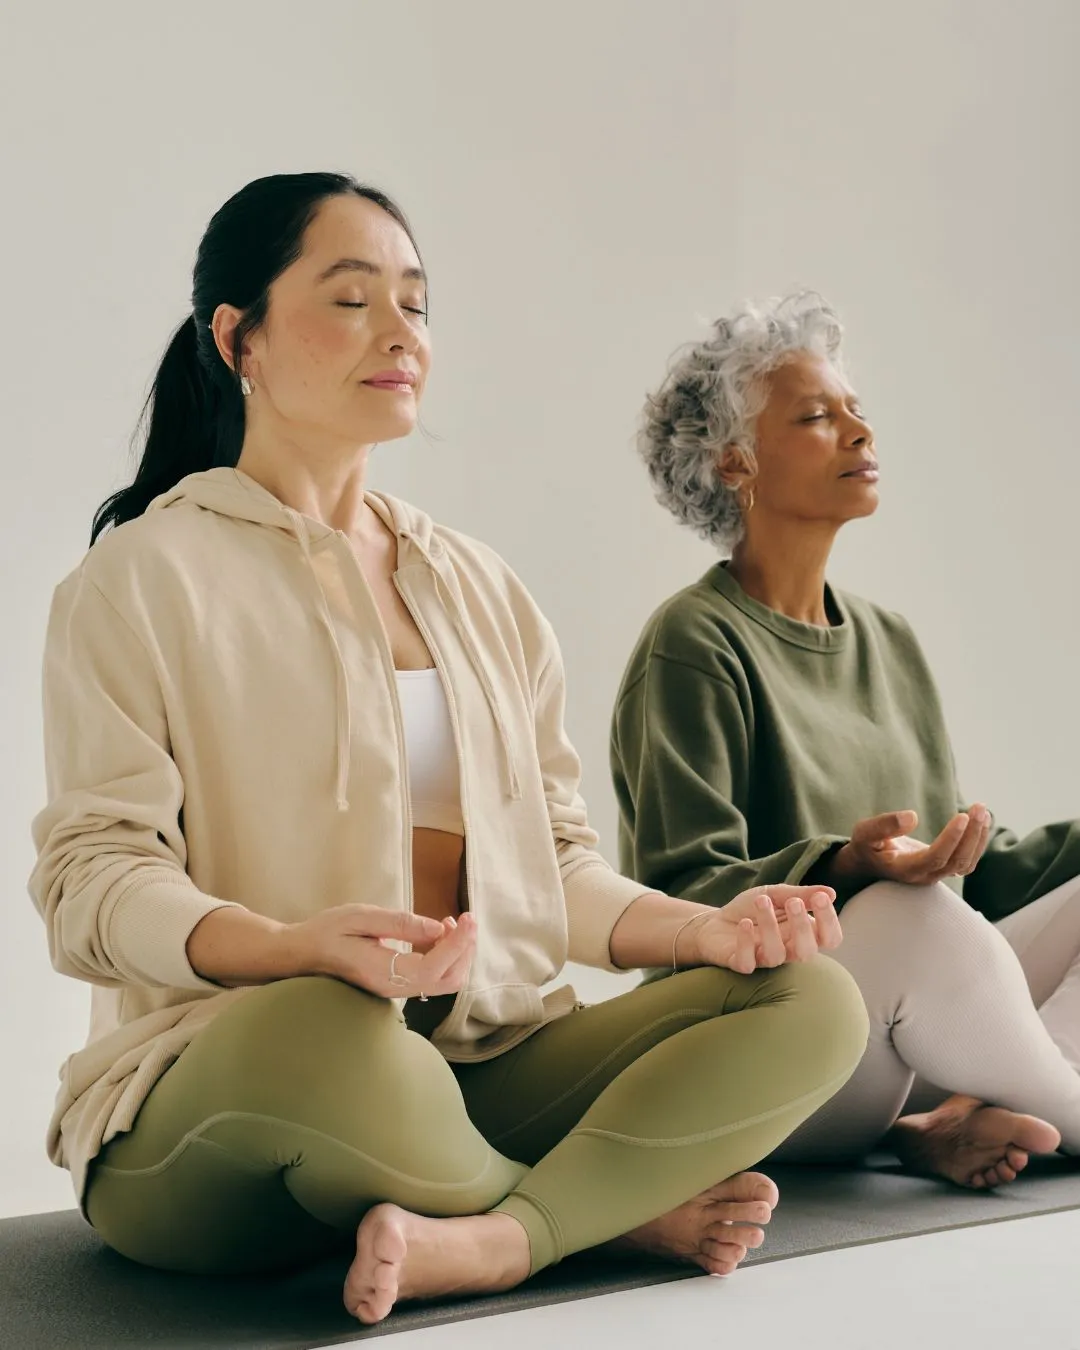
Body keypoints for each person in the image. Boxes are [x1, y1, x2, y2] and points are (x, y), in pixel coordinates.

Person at [28, 180, 869, 1327]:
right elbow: (93, 882)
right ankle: (591, 1218)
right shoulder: (137, 582)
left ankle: (490, 1237)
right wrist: (284, 948)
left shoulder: (477, 586)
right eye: (352, 297)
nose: (398, 333)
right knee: (334, 1024)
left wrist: (704, 932)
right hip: (224, 1106)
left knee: (808, 997)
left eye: (417, 306)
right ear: (238, 339)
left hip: (477, 1072)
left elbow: (557, 865)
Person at [611, 291, 1080, 1192]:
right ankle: (1048, 1109)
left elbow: (966, 878)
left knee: (931, 913)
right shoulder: (693, 642)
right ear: (735, 463)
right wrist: (847, 866)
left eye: (856, 411)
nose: (861, 433)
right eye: (819, 417)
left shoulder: (890, 640)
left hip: (911, 1027)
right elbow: (679, 897)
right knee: (911, 917)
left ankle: (952, 1117)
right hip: (772, 1045)